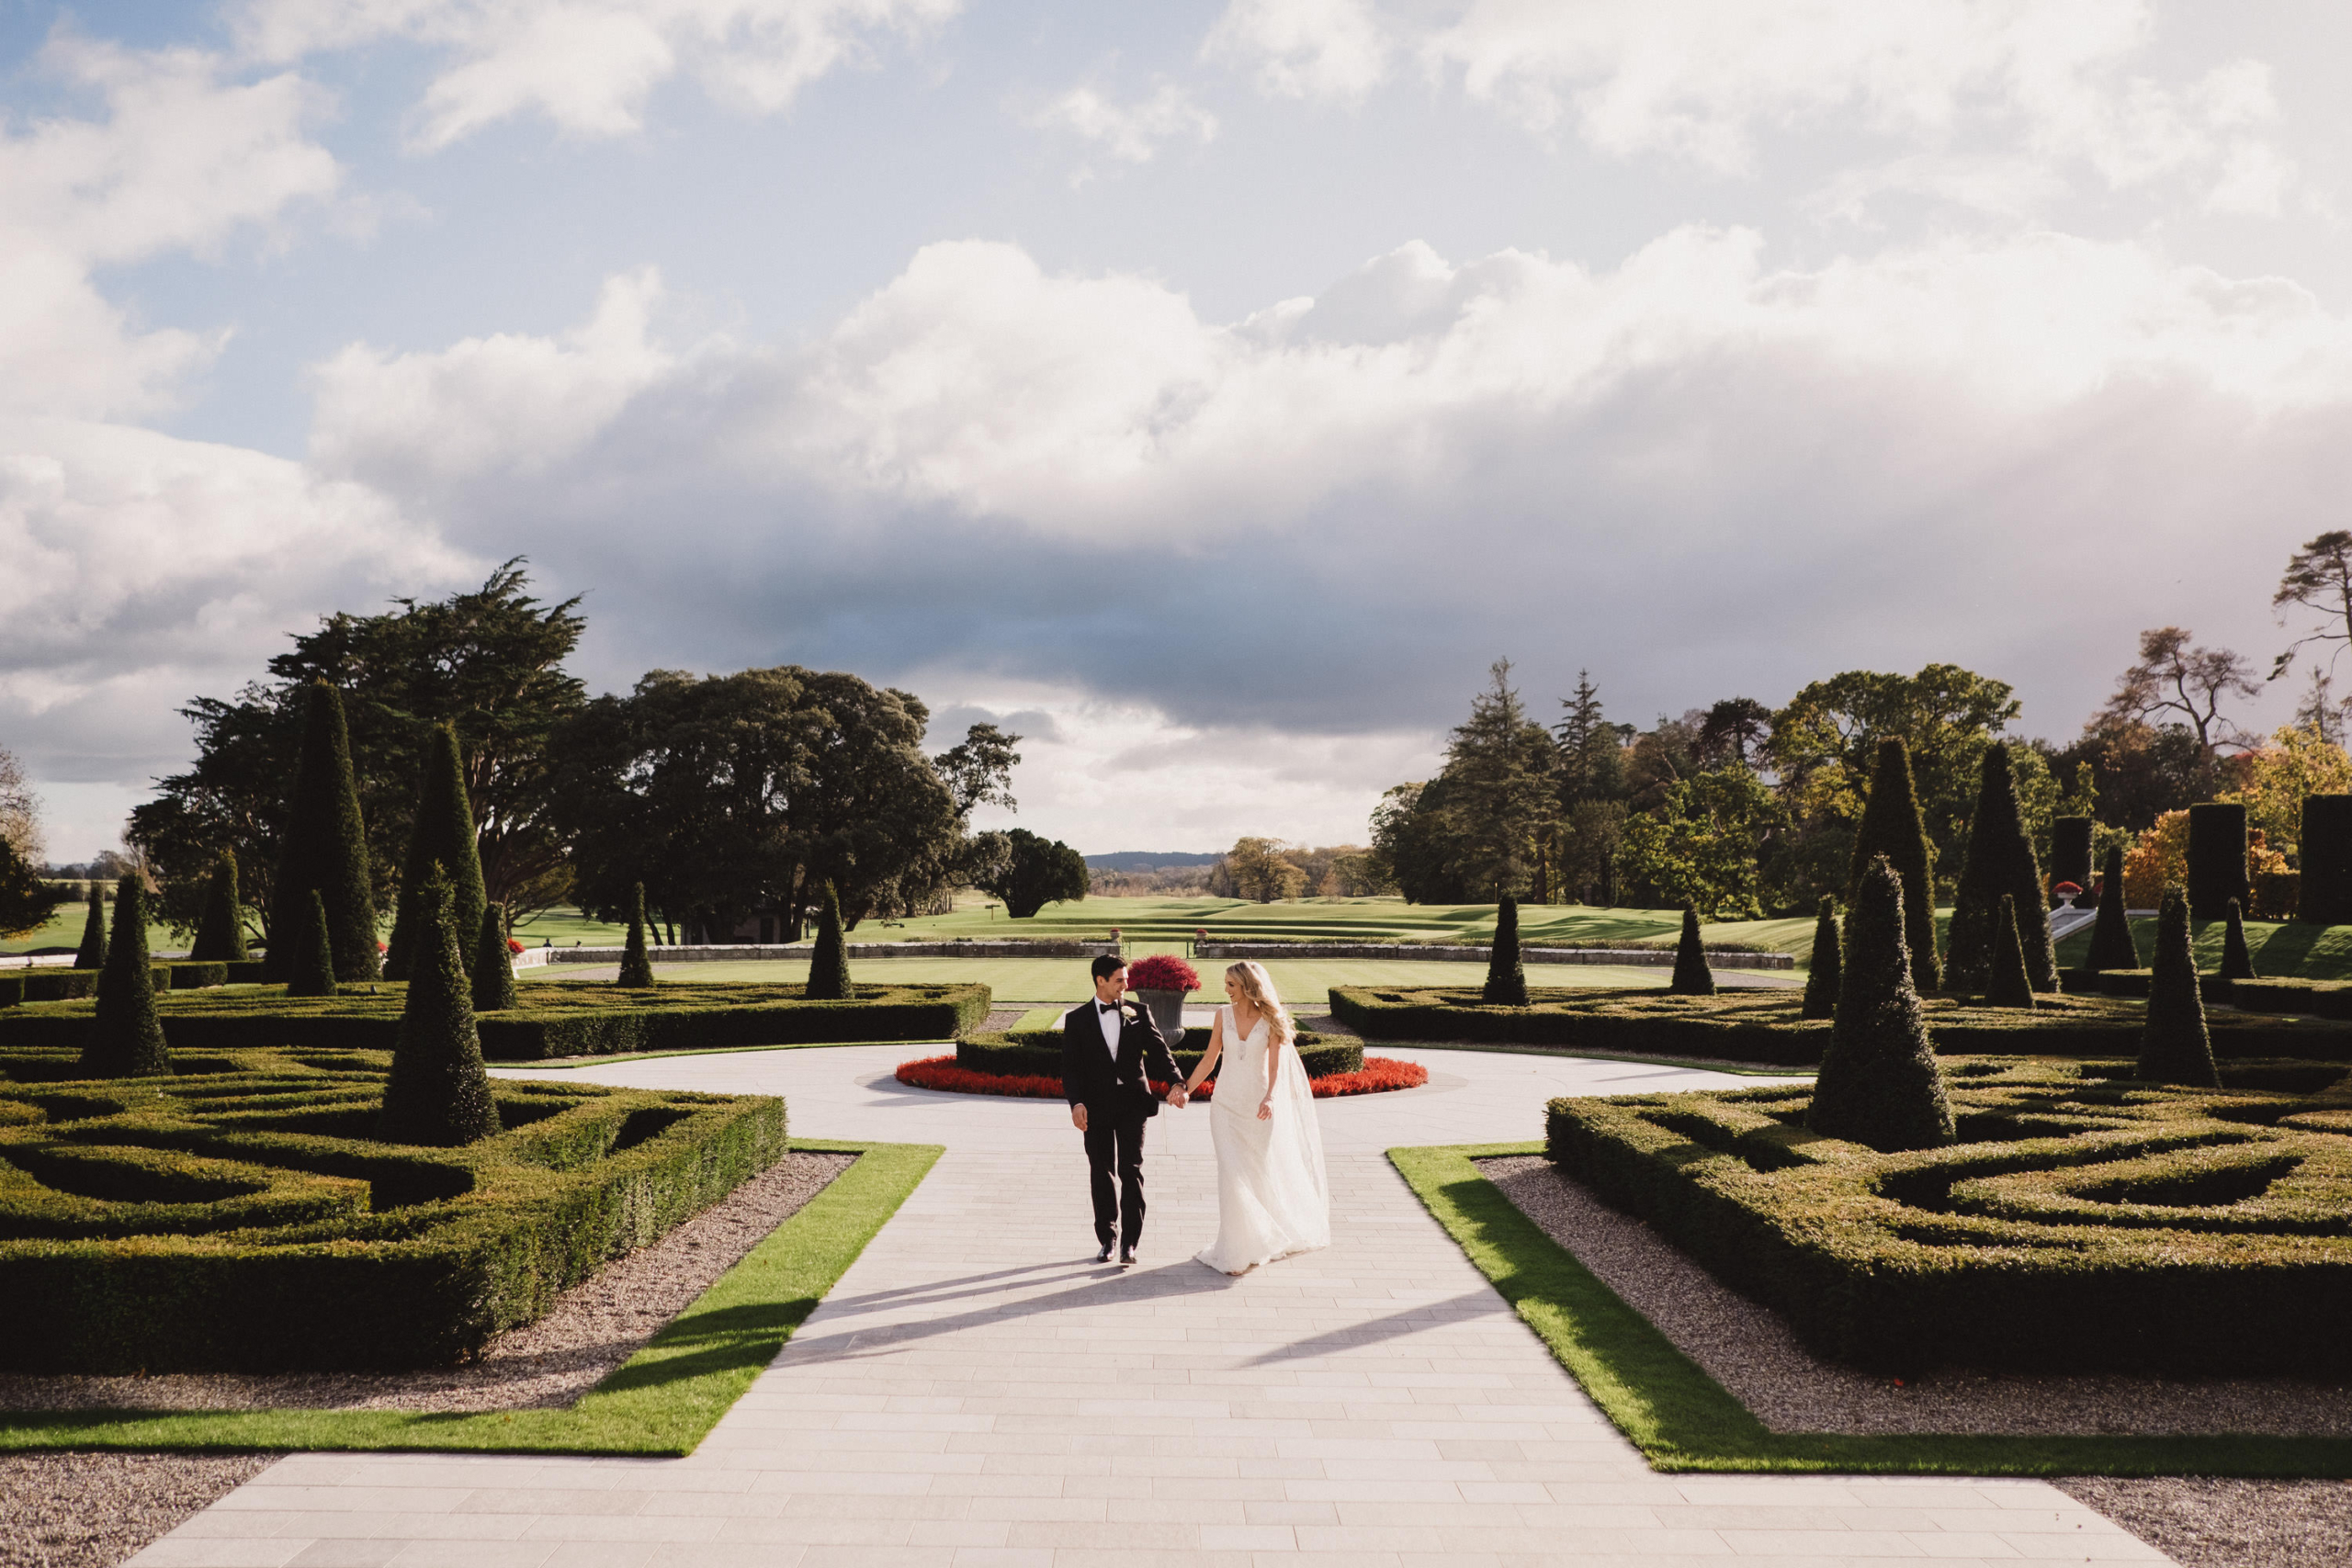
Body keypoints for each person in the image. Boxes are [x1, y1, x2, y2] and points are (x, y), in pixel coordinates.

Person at [1182, 960, 1330, 1276]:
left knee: (1254, 1172)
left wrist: (1271, 1097)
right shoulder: (1222, 1015)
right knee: (1230, 1173)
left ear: (1248, 987)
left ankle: (1261, 1237)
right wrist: (1186, 1088)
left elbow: (1275, 1068)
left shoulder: (1271, 1019)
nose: (1226, 990)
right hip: (1224, 1105)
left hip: (1258, 1107)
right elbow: (1210, 1059)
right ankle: (1234, 1250)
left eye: (1231, 985)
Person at [1061, 955, 1187, 1267]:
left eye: (1125, 979)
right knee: (1101, 1172)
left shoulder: (1139, 1012)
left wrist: (1177, 1082)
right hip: (1095, 1107)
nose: (1126, 985)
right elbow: (1070, 1068)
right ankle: (1107, 1238)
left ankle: (1129, 1244)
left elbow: (1160, 1051)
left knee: (1131, 1171)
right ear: (1100, 980)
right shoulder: (1077, 1019)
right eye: (1119, 979)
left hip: (1133, 1104)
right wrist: (1076, 1103)